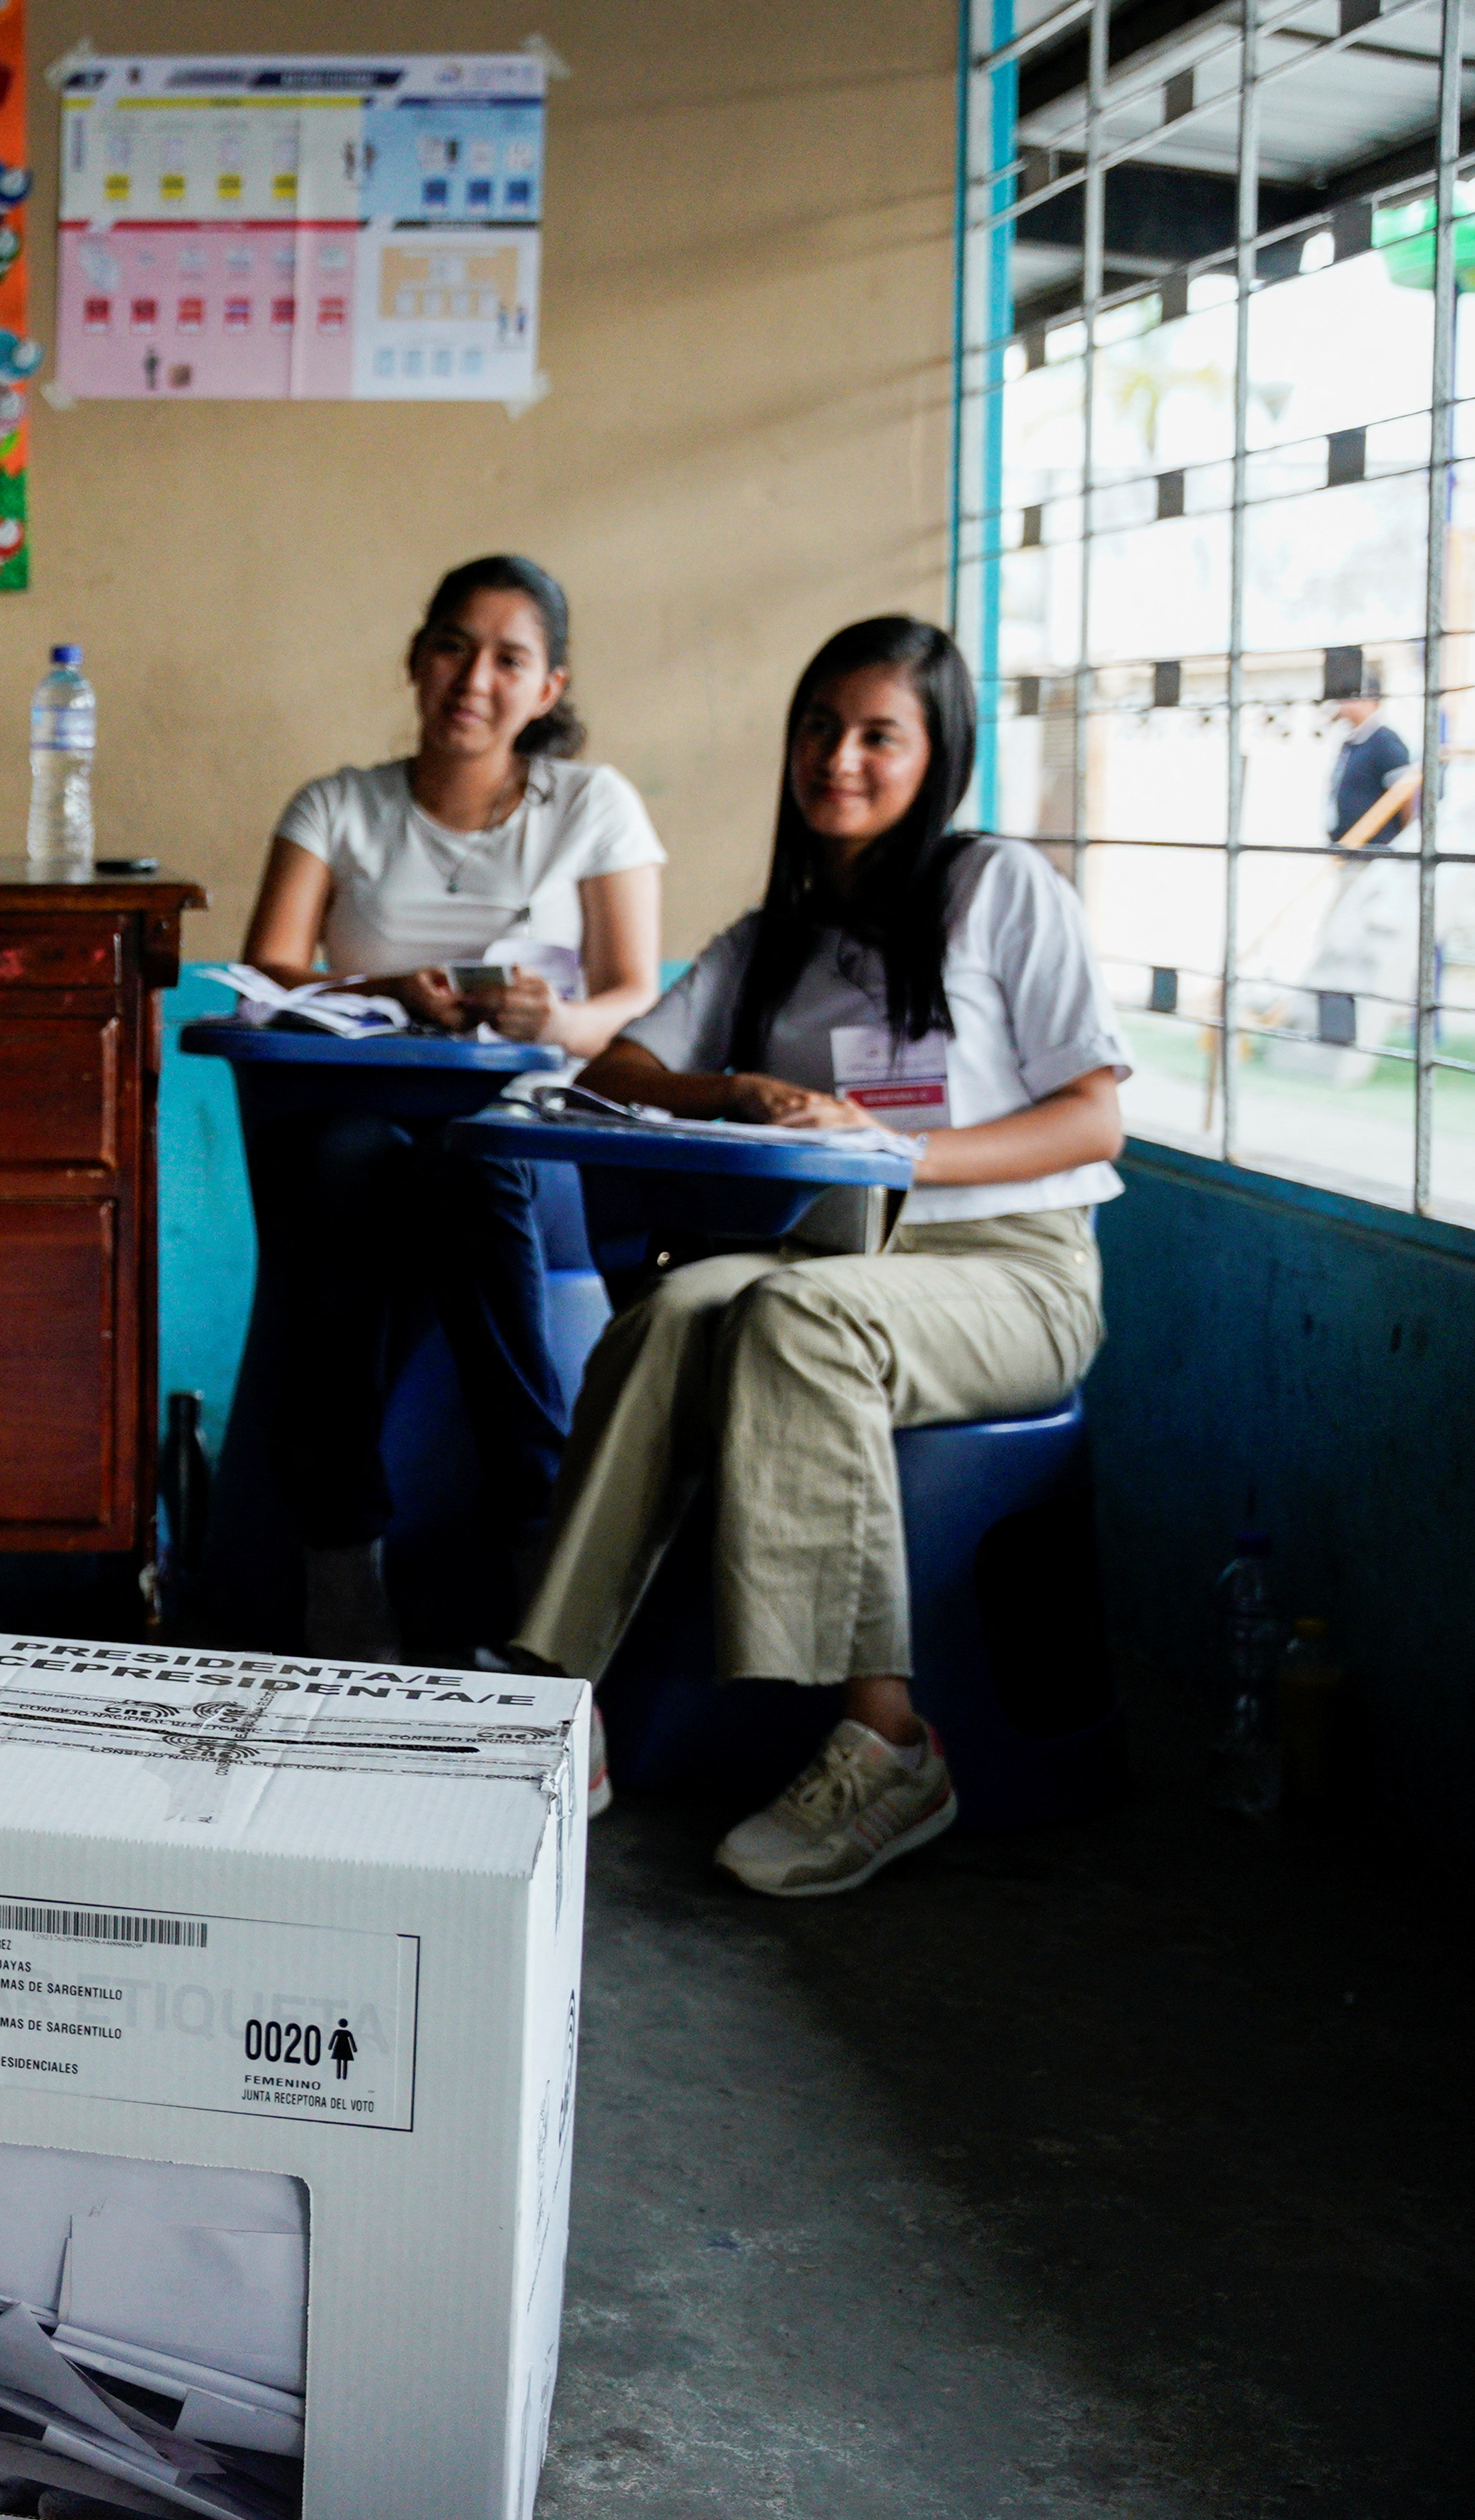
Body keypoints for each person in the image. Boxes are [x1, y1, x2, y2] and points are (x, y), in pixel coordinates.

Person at [501, 616, 1127, 1898]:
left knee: (800, 1320)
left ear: (936, 752)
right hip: (831, 1259)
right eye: (819, 728)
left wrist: (895, 1154)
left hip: (1012, 1268)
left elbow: (1096, 1115)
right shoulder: (772, 938)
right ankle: (558, 1707)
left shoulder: (998, 887)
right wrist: (734, 1088)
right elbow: (611, 1067)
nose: (839, 758)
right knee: (681, 1305)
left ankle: (890, 1740)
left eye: (878, 735)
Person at [232, 555, 665, 1657]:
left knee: (482, 1163)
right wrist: (382, 988)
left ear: (548, 688)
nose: (475, 678)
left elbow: (632, 996)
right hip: (357, 1122)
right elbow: (269, 970)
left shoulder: (593, 804)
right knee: (337, 1164)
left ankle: (535, 1545)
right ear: (415, 661)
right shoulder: (338, 803)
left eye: (509, 659)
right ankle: (343, 1564)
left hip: (530, 1131)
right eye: (453, 648)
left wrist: (550, 1020)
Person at [1309, 667, 1420, 1052]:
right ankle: (1330, 1021)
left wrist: (1407, 846)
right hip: (1347, 854)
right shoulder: (1352, 742)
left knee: (1345, 934)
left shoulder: (1386, 741)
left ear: (1367, 699)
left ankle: (1343, 1025)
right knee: (1337, 936)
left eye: (1347, 696)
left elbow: (1408, 797)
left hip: (1372, 858)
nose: (1340, 705)